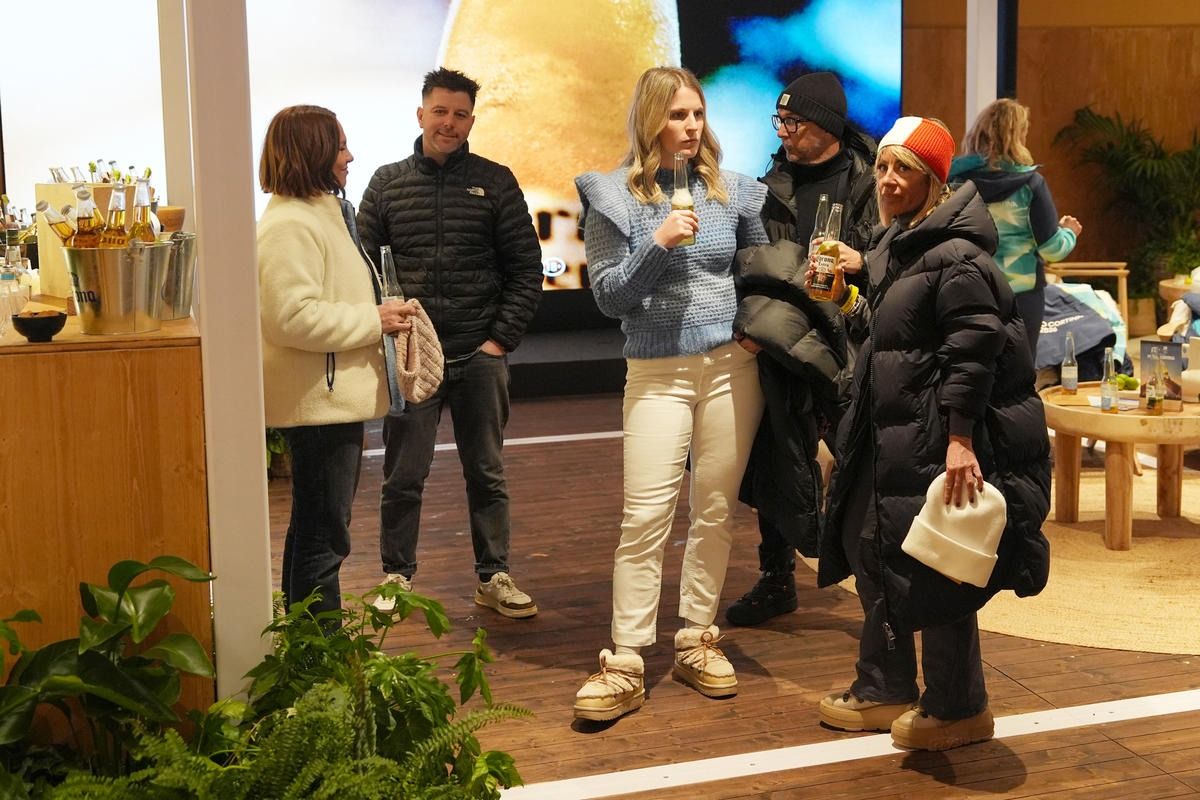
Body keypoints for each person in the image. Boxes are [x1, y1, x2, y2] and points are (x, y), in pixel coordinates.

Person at [814, 117, 1051, 751]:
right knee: (871, 548)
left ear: (934, 180)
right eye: (883, 167)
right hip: (890, 432)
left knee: (941, 566)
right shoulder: (902, 243)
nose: (888, 180)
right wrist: (847, 299)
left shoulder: (957, 256)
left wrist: (960, 440)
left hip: (934, 437)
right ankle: (885, 685)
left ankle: (958, 706)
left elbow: (972, 353)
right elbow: (890, 337)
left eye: (905, 170)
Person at [571, 67, 768, 723]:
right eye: (677, 115)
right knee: (645, 516)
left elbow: (760, 274)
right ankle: (627, 658)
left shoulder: (732, 191)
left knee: (714, 509)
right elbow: (609, 297)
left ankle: (696, 638)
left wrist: (754, 334)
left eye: (697, 114)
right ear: (650, 119)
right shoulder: (613, 196)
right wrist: (658, 243)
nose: (690, 127)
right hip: (657, 371)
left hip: (730, 368)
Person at [357, 68, 544, 619]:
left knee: (486, 473)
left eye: (461, 114)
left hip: (479, 357)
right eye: (440, 111)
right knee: (403, 477)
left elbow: (526, 268)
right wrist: (386, 330)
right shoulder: (387, 183)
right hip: (412, 359)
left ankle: (494, 575)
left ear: (471, 121)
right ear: (421, 114)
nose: (450, 123)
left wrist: (499, 341)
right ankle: (396, 577)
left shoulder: (496, 181)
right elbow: (361, 268)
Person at [725, 71, 876, 628]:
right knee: (777, 461)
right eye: (780, 120)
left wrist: (863, 262)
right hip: (783, 344)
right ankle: (776, 578)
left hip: (851, 344)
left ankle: (876, 581)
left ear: (827, 126)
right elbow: (752, 264)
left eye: (794, 122)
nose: (783, 131)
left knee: (863, 468)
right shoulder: (768, 186)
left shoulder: (870, 182)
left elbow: (894, 256)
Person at [257, 105, 415, 617]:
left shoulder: (314, 216)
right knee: (324, 537)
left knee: (315, 530)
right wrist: (375, 319)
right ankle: (318, 650)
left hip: (328, 399)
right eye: (340, 145)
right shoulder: (290, 225)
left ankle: (304, 642)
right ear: (314, 152)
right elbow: (289, 318)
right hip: (319, 403)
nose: (350, 157)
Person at [949, 98, 1082, 357]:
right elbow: (1052, 250)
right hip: (1021, 297)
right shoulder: (1031, 184)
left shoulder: (955, 182)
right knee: (1017, 372)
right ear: (1018, 136)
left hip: (967, 292)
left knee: (970, 369)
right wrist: (1069, 232)